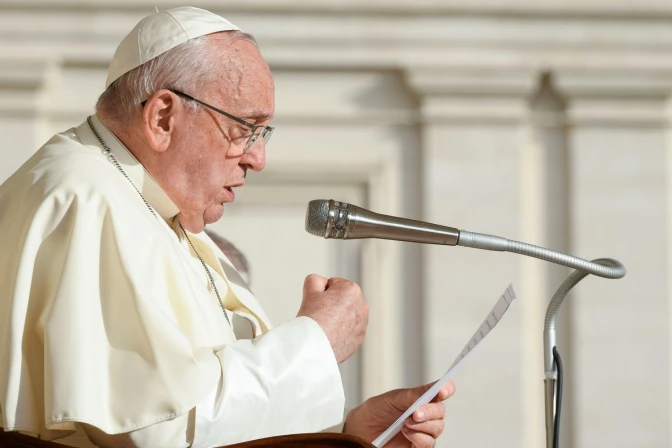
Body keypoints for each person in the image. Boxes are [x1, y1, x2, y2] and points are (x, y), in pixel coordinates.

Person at [0, 6, 455, 448]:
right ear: (162, 118)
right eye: (245, 129)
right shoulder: (87, 197)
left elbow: (195, 415)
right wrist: (314, 343)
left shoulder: (150, 205)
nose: (258, 159)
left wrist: (349, 434)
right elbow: (163, 427)